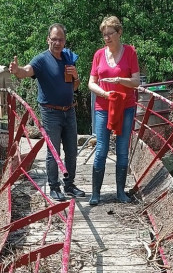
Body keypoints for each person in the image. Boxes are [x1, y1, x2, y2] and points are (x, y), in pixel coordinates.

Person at [8, 23, 85, 201]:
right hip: (51, 112)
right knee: (53, 151)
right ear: (48, 39)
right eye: (54, 39)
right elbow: (25, 71)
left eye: (61, 39)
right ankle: (54, 187)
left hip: (69, 111)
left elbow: (74, 86)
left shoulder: (68, 57)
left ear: (65, 41)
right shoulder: (41, 60)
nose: (57, 43)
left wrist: (76, 77)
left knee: (72, 150)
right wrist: (17, 71)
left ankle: (70, 185)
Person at [88, 16, 140, 205]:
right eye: (104, 35)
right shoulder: (98, 55)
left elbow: (136, 82)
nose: (107, 38)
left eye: (110, 33)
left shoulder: (130, 53)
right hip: (103, 106)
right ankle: (95, 193)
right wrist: (104, 93)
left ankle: (120, 192)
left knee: (122, 149)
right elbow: (91, 83)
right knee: (101, 149)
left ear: (119, 33)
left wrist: (119, 81)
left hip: (126, 107)